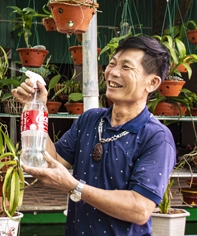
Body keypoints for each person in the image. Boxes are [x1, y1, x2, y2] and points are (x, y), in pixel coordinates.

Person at [12, 35, 177, 236]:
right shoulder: (90, 120)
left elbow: (140, 209)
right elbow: (50, 161)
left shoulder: (157, 137)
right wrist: (36, 108)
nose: (113, 72)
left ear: (152, 83)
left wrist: (75, 187)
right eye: (112, 63)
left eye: (126, 67)